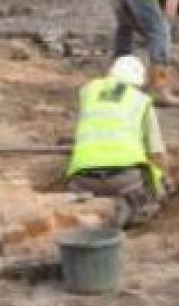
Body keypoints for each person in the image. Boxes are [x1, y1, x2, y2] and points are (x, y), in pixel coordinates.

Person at [67, 56, 168, 227]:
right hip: (124, 180)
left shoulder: (88, 92)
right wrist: (161, 187)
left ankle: (93, 212)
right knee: (153, 185)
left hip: (83, 180)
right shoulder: (140, 100)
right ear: (137, 82)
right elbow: (157, 154)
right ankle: (133, 212)